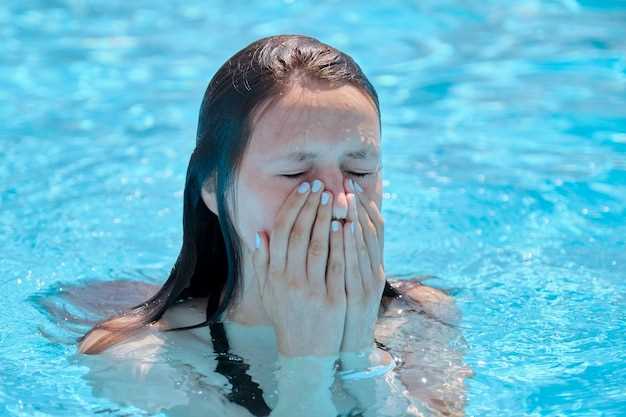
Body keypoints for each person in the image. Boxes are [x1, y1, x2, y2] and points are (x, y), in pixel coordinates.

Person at [75, 34, 467, 417]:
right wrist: (306, 371)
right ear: (212, 188)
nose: (337, 199)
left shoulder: (421, 317)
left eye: (358, 169)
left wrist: (360, 358)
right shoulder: (140, 355)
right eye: (296, 173)